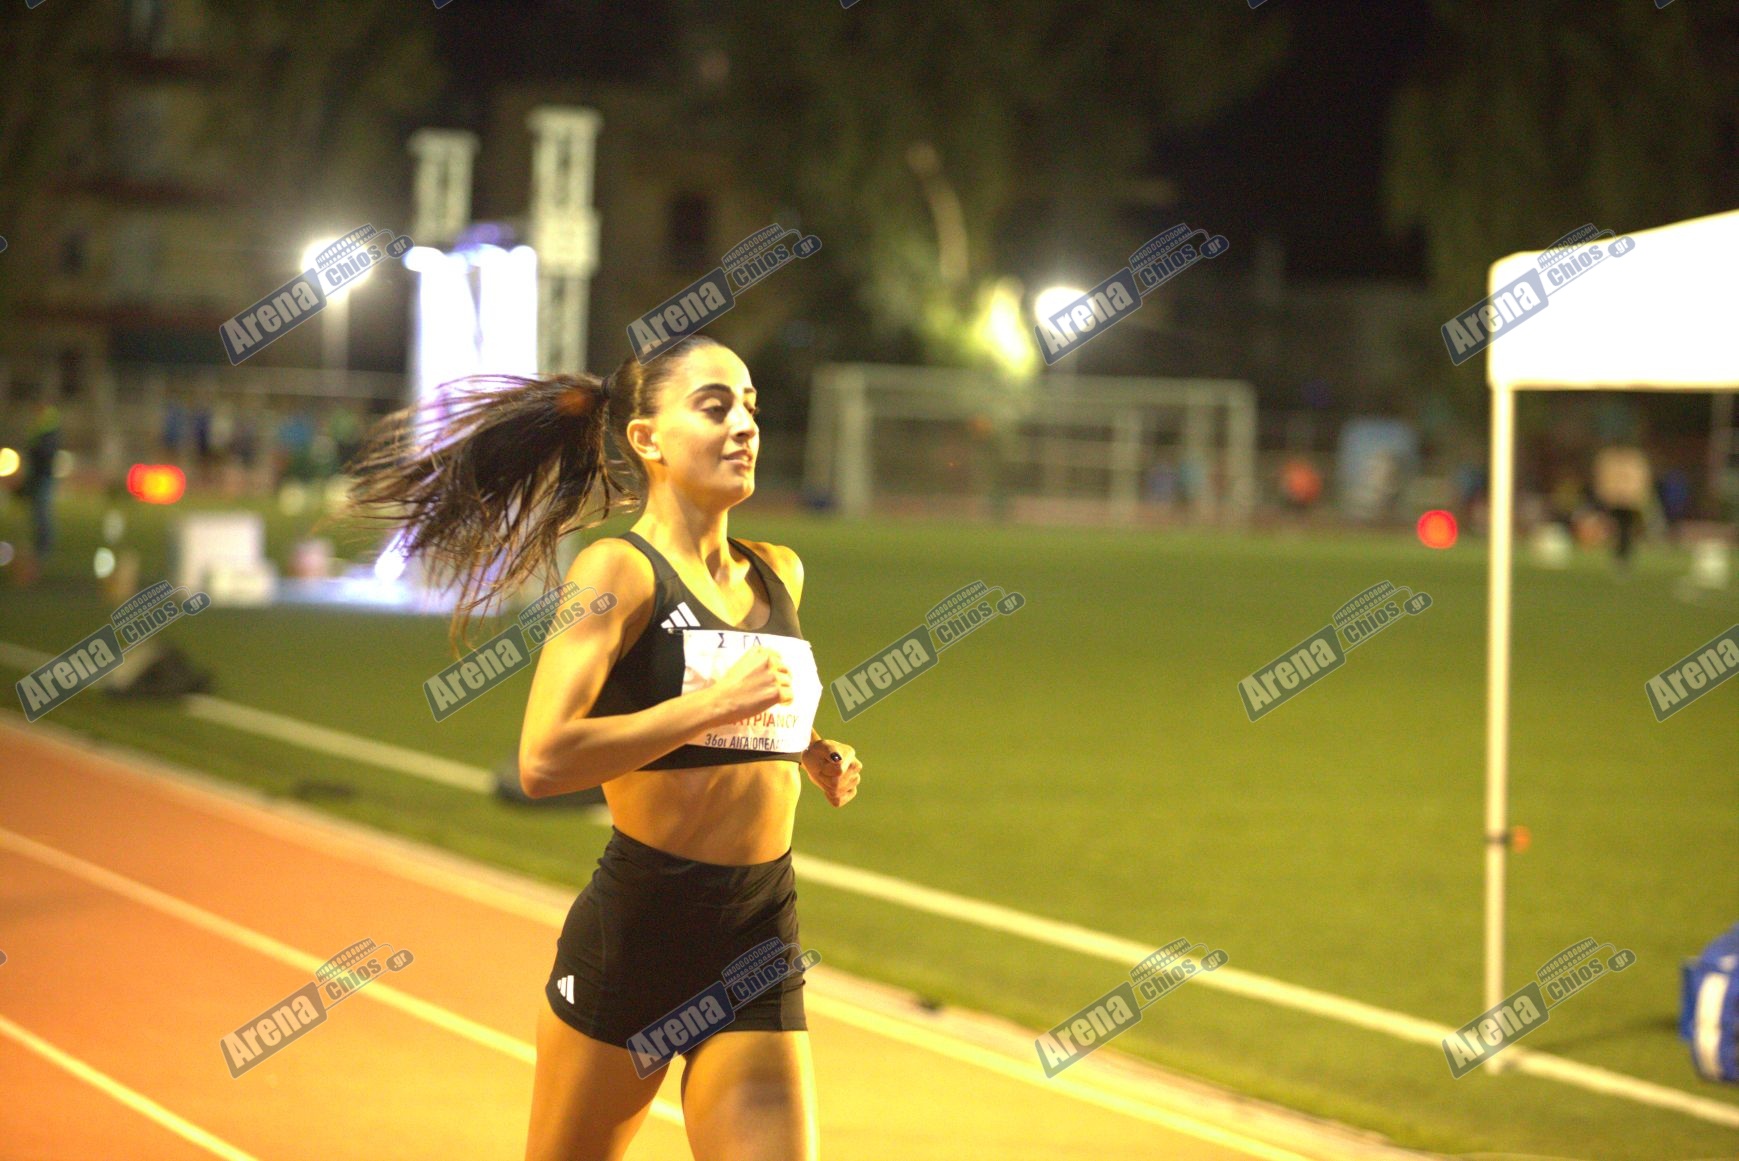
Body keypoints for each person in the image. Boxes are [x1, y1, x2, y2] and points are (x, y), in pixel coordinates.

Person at [339, 334, 860, 1161]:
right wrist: (712, 705)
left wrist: (806, 746)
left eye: (750, 407)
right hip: (640, 935)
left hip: (759, 930)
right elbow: (545, 759)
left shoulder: (778, 572)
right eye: (714, 406)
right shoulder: (615, 570)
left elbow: (739, 709)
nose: (744, 426)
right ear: (646, 438)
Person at [1592, 441, 1652, 572]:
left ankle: (1623, 556)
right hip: (1618, 500)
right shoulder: (1615, 459)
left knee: (1625, 529)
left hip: (1628, 501)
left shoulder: (1631, 459)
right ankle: (1621, 556)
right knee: (1620, 529)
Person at [19, 401, 62, 566]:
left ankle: (44, 545)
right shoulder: (43, 430)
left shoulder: (47, 432)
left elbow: (43, 454)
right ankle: (41, 544)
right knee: (38, 512)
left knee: (42, 512)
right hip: (38, 476)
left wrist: (35, 452)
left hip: (43, 476)